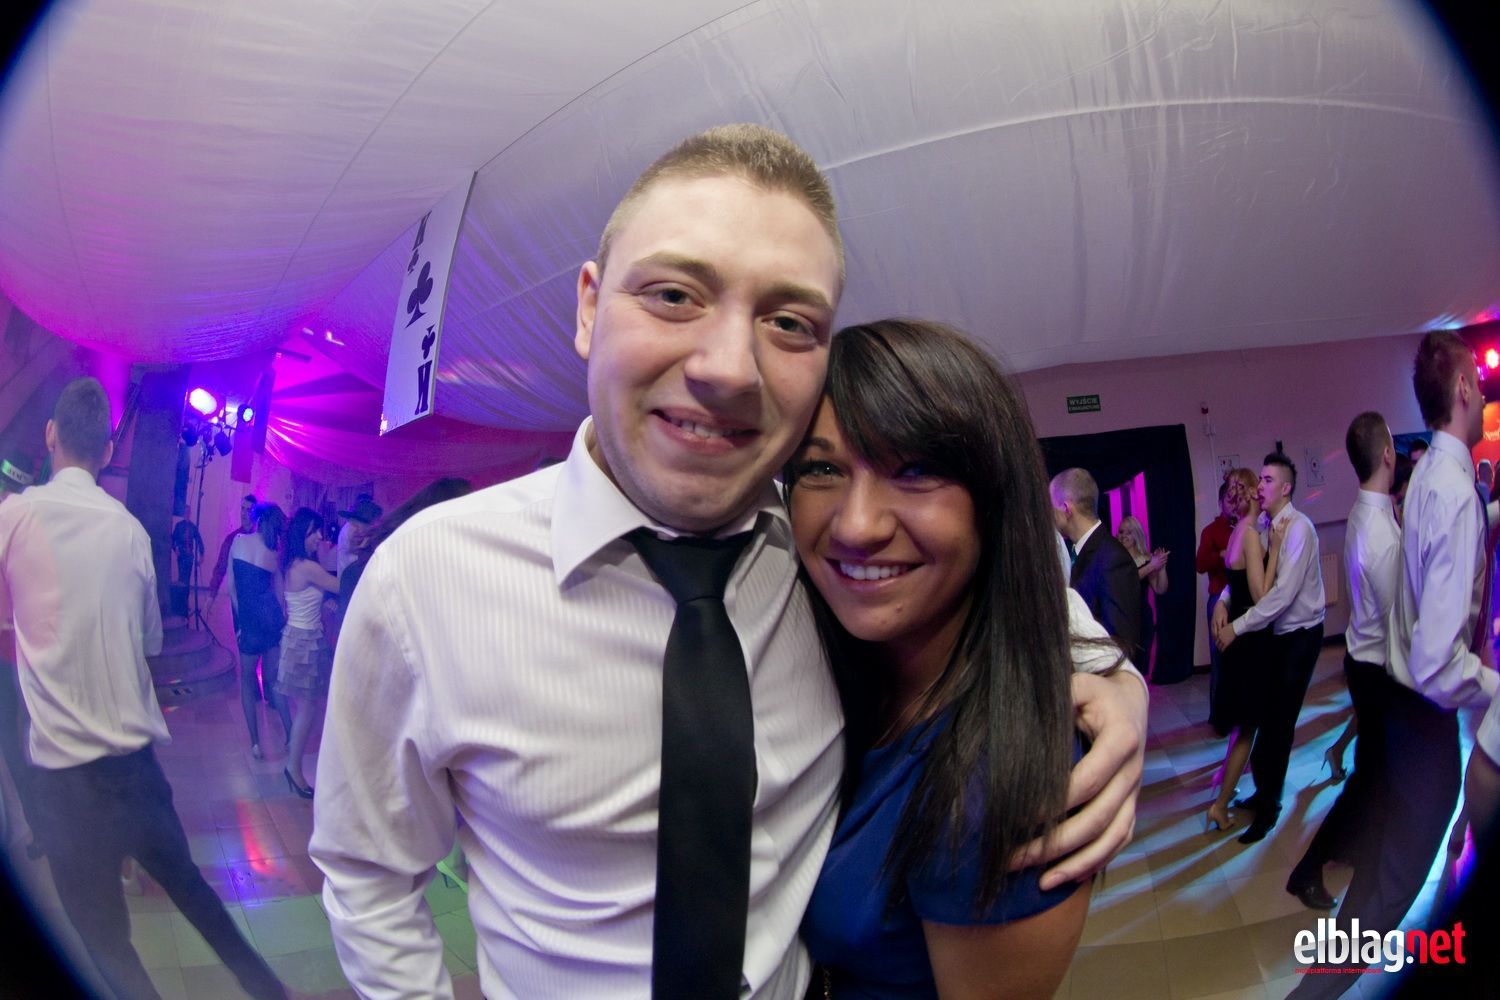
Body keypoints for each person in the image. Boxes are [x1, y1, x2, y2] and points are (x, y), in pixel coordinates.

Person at [310, 125, 1147, 999]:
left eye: (788, 322)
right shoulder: (427, 581)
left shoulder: (826, 557)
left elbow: (999, 583)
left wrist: (1114, 684)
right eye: (674, 295)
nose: (727, 368)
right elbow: (369, 874)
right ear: (589, 308)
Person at [788, 319, 1131, 998]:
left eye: (915, 470)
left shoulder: (988, 778)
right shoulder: (839, 661)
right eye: (822, 468)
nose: (857, 525)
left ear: (993, 504)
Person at [0, 378, 285, 1000]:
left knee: (108, 946)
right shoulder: (130, 531)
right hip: (135, 773)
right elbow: (150, 641)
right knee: (199, 901)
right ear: (108, 452)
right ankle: (270, 991)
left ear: (49, 435)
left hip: (64, 785)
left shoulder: (13, 517)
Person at [1289, 333, 1499, 998]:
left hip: (1406, 712)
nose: (1483, 392)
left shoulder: (1431, 475)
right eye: (1479, 381)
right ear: (1463, 388)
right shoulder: (1450, 488)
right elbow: (1438, 663)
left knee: (1382, 888)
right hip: (1424, 721)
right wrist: (1496, 685)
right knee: (1386, 896)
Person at [1283, 412, 1399, 912]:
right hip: (1376, 670)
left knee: (1374, 775)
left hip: (1363, 662)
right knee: (1369, 779)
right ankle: (1307, 871)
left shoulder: (1367, 511)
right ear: (1388, 454)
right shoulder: (1378, 528)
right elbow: (1398, 618)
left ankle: (1353, 849)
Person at [1214, 451, 1325, 844]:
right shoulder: (1262, 524)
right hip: (1273, 637)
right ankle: (1263, 794)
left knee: (1278, 727)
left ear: (1286, 488)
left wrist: (1237, 627)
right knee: (1265, 721)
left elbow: (1279, 596)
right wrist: (1224, 600)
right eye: (1259, 479)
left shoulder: (1299, 529)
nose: (1259, 486)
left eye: (1267, 480)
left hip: (1299, 637)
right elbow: (1249, 575)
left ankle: (1269, 809)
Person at [1202, 468, 1281, 834]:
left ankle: (1224, 786)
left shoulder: (1236, 532)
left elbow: (1234, 587)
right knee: (1248, 728)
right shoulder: (1249, 535)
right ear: (1249, 493)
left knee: (1241, 726)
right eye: (1258, 487)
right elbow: (1261, 596)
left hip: (1239, 637)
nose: (1262, 492)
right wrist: (1275, 552)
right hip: (1249, 641)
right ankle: (1219, 806)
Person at [276, 508, 339, 798]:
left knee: (307, 708)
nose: (319, 537)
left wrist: (324, 604)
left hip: (301, 638)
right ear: (302, 534)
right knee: (307, 709)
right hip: (303, 642)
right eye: (314, 531)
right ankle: (293, 768)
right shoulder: (307, 566)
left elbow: (305, 599)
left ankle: (293, 759)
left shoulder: (295, 564)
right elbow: (340, 585)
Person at [1051, 468, 1143, 658]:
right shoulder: (1077, 551)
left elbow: (1122, 641)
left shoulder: (1113, 559)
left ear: (1066, 509)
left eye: (1051, 507)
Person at [224, 502, 291, 760]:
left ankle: (255, 744)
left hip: (250, 624)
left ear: (258, 520)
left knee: (247, 683)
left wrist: (241, 622)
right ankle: (291, 734)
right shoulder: (273, 553)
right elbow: (279, 592)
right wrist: (282, 620)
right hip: (271, 622)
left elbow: (231, 588)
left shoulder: (239, 541)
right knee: (274, 681)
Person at [1197, 480, 1236, 731]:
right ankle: (1220, 719)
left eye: (1237, 499)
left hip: (1241, 599)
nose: (1234, 503)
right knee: (1220, 659)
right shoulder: (1211, 531)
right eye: (1229, 499)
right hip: (1218, 599)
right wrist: (1222, 554)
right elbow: (1200, 564)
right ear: (1221, 502)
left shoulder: (1246, 527)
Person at [1118, 515, 1168, 675]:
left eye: (1128, 532)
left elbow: (1160, 589)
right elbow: (1127, 580)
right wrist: (1151, 566)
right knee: (1124, 665)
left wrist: (1161, 567)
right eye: (1121, 532)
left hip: (1143, 618)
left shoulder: (1146, 559)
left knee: (1141, 666)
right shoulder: (1116, 559)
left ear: (1137, 535)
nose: (1123, 536)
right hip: (1123, 617)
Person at [207, 493, 257, 603]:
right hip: (239, 596)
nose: (243, 513)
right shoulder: (232, 539)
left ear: (255, 513)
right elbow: (221, 567)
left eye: (248, 510)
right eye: (242, 509)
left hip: (258, 597)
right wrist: (211, 596)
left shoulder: (261, 537)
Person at [334, 494, 380, 575]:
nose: (359, 530)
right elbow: (353, 549)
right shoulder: (349, 531)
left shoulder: (356, 528)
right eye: (355, 525)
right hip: (349, 578)